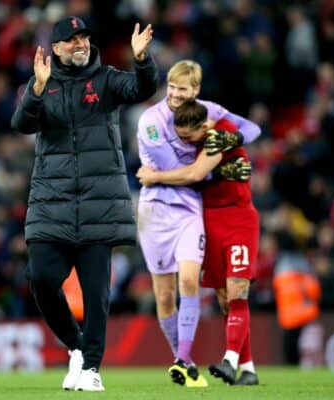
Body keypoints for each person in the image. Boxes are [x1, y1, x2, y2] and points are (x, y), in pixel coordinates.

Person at [10, 16, 158, 391]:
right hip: (52, 203)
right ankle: (76, 346)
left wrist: (142, 61)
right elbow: (22, 124)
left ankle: (91, 367)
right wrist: (37, 90)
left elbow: (141, 88)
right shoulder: (43, 84)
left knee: (96, 294)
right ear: (56, 48)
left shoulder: (106, 79)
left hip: (99, 202)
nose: (80, 44)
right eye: (71, 39)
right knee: (41, 279)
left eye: (84, 38)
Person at [136, 71, 260, 388]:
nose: (185, 143)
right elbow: (200, 174)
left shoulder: (217, 135)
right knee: (222, 294)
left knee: (236, 290)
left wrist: (154, 177)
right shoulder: (191, 136)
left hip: (237, 218)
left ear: (203, 127)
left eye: (188, 138)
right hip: (209, 216)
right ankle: (247, 367)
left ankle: (230, 359)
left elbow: (193, 174)